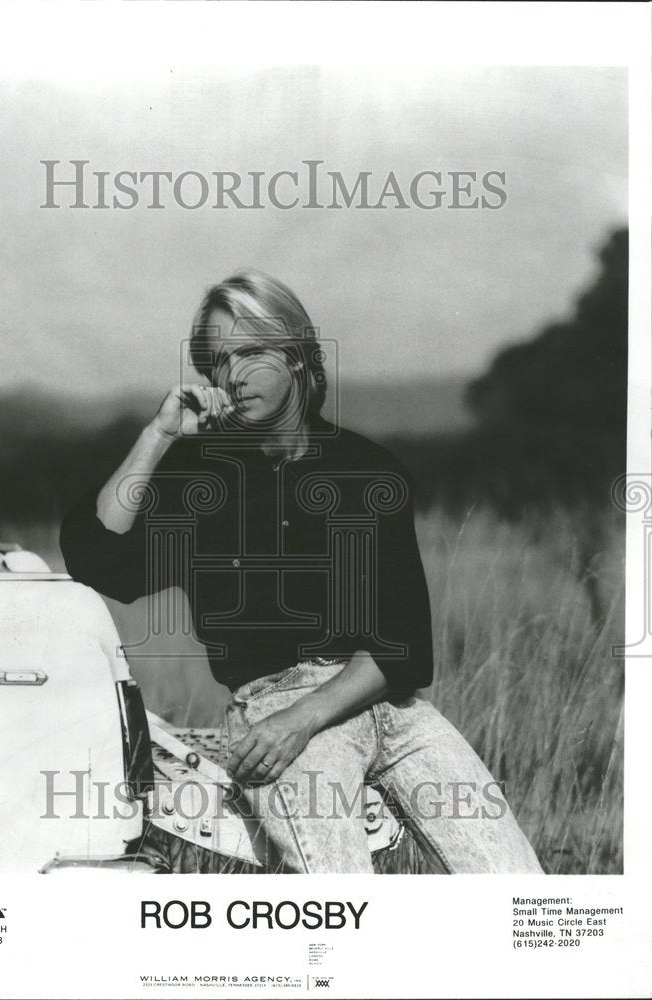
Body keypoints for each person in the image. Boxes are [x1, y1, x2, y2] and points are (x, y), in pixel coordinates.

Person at [60, 268, 543, 874]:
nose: (233, 374)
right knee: (342, 899)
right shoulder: (200, 477)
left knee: (519, 886)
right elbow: (96, 557)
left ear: (295, 356)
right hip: (274, 707)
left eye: (252, 352)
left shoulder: (368, 469)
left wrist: (308, 714)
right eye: (218, 359)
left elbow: (406, 645)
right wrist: (157, 436)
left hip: (389, 704)